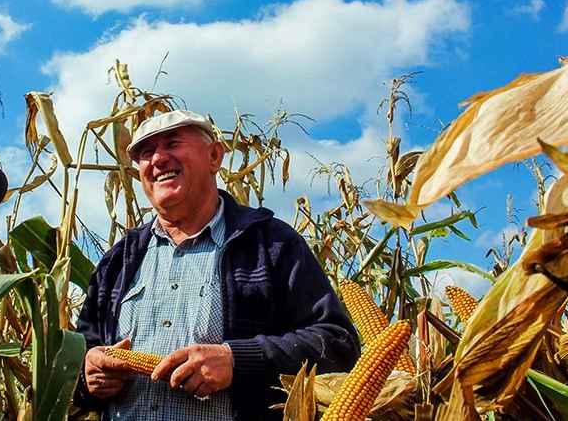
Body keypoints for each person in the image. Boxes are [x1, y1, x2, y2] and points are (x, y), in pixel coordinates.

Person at [74, 110, 360, 420]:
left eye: (173, 144)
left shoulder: (271, 244)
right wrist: (87, 375)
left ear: (214, 156)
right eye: (146, 152)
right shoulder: (117, 262)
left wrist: (237, 359)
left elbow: (338, 344)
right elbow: (76, 359)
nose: (158, 159)